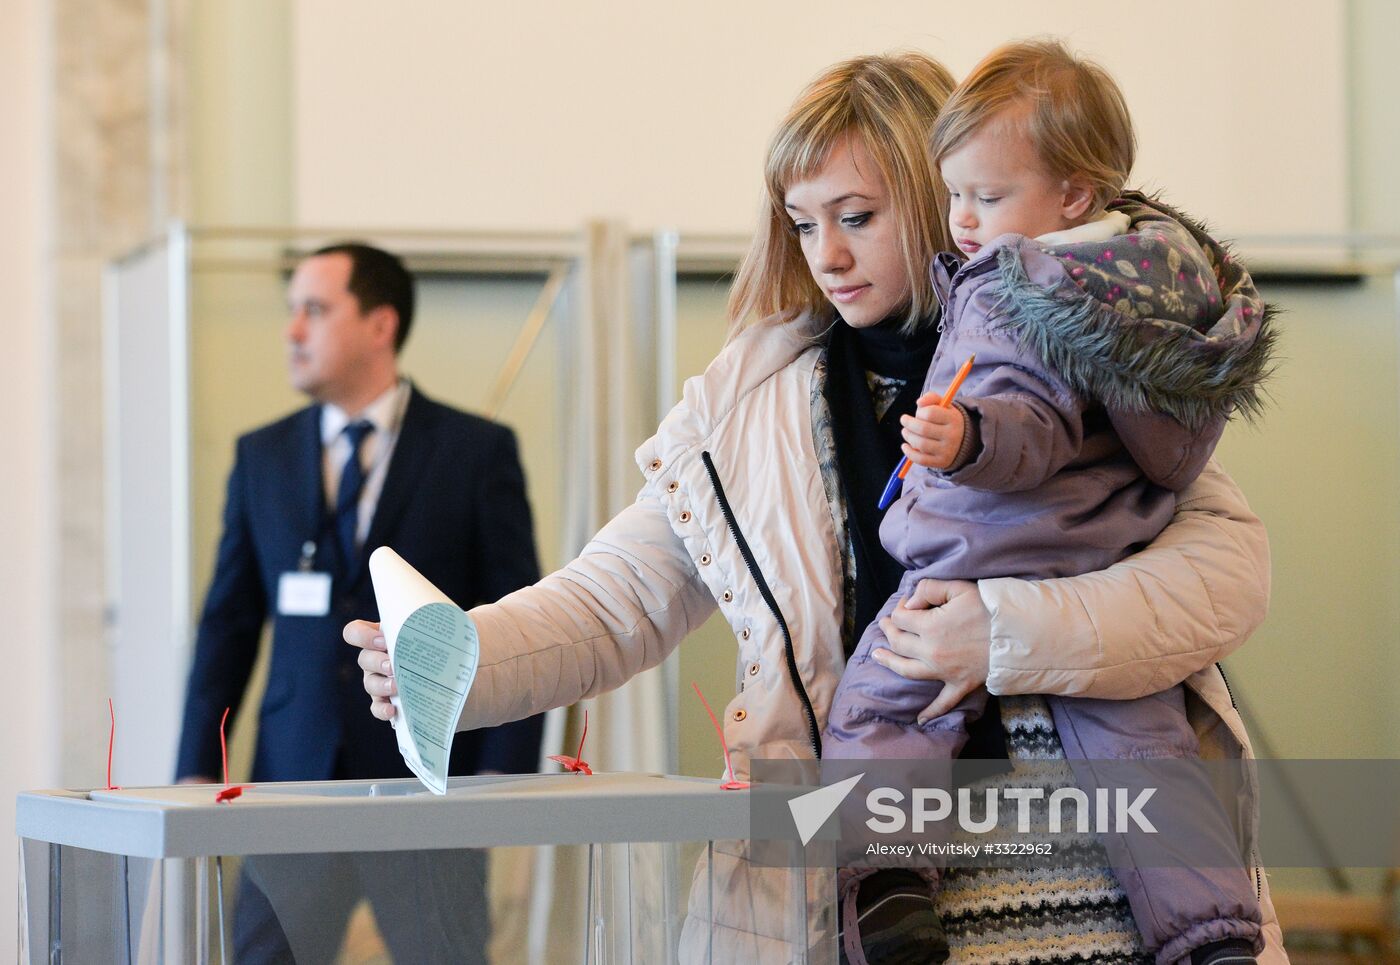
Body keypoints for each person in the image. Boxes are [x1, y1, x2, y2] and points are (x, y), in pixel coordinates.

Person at [346, 53, 1288, 965]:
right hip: (862, 911)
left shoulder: (1084, 347)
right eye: (802, 223)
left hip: (1114, 888)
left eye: (857, 216)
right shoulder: (745, 410)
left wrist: (999, 630)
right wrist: (460, 665)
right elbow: (617, 596)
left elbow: (1222, 575)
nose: (827, 255)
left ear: (944, 193)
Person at [823, 40, 1274, 965]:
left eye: (858, 216)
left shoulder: (1014, 289)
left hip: (979, 558)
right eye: (799, 222)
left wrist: (972, 441)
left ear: (1072, 194)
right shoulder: (1135, 291)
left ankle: (890, 883)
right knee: (1148, 761)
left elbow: (1032, 420)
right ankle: (1212, 936)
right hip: (1080, 560)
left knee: (878, 709)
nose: (963, 221)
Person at [175, 242, 544, 963]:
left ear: (380, 324)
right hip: (292, 782)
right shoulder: (263, 455)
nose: (291, 331)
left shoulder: (475, 451)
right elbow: (229, 619)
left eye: (313, 310)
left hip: (431, 782)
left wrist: (506, 772)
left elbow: (517, 610)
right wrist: (195, 761)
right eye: (291, 312)